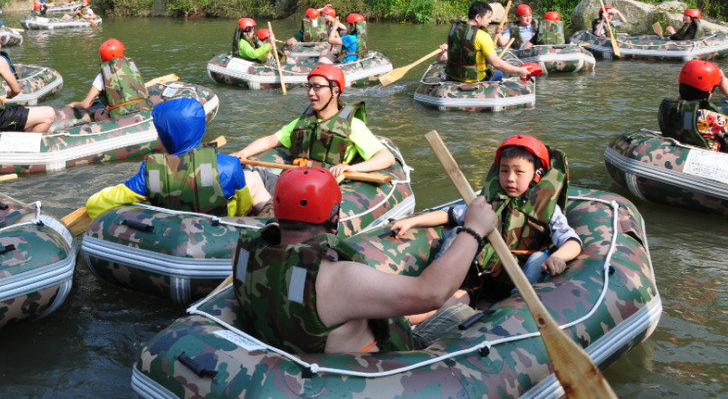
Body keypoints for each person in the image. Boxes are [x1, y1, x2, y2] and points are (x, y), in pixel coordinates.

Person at [233, 166, 499, 354]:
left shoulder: (245, 254)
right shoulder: (336, 277)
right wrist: (474, 228)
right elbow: (432, 293)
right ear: (335, 218)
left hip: (293, 364)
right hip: (375, 372)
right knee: (463, 308)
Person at [390, 135, 582, 302]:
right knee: (458, 232)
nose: (510, 178)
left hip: (522, 276)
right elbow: (450, 214)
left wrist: (557, 257)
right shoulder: (488, 203)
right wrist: (412, 221)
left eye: (519, 172)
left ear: (537, 175)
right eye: (504, 170)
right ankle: (438, 282)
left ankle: (514, 307)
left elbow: (572, 242)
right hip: (487, 274)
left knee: (538, 258)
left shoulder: (547, 209)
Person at [234, 65, 396, 211]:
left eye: (317, 87)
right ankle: (261, 217)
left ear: (335, 91)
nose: (311, 92)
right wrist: (243, 153)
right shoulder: (302, 122)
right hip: (295, 181)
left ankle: (273, 216)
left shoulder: (353, 125)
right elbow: (270, 140)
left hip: (325, 188)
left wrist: (352, 169)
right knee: (249, 177)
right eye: (309, 87)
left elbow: (386, 158)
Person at [85, 98, 251, 220]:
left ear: (168, 135)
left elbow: (94, 206)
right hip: (219, 235)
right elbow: (244, 209)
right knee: (254, 179)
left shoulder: (152, 172)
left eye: (160, 133)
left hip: (169, 234)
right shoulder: (230, 165)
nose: (158, 138)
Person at [437, 1, 533, 83]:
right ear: (478, 17)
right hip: (477, 80)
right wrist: (518, 71)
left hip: (453, 78)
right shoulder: (483, 35)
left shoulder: (455, 30)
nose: (490, 21)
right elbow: (496, 63)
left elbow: (448, 56)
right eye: (488, 17)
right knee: (499, 73)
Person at [68, 39, 153, 118]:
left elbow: (85, 105)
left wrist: (74, 105)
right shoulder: (132, 68)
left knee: (97, 114)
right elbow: (145, 92)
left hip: (120, 115)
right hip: (144, 109)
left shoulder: (103, 75)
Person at [659, 60, 728, 152]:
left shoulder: (667, 109)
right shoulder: (707, 118)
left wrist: (685, 90)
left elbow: (681, 102)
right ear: (710, 92)